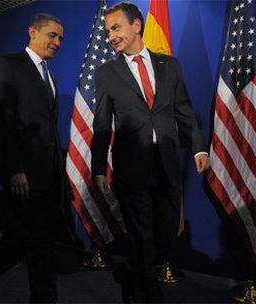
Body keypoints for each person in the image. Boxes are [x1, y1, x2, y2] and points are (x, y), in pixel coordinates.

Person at [91, 2, 209, 303]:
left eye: (116, 28)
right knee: (141, 236)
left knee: (165, 235)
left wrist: (197, 148)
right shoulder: (107, 72)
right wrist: (98, 168)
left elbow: (183, 111)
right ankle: (148, 296)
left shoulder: (170, 65)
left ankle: (132, 276)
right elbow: (102, 123)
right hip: (132, 167)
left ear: (136, 25)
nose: (111, 36)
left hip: (167, 164)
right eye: (107, 31)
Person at [0, 13, 68, 303]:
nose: (57, 42)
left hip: (49, 176)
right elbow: (1, 120)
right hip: (24, 176)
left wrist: (59, 171)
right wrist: (14, 169)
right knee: (18, 242)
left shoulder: (50, 75)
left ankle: (43, 298)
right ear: (32, 32)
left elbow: (48, 128)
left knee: (43, 243)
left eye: (60, 39)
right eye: (52, 35)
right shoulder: (8, 65)